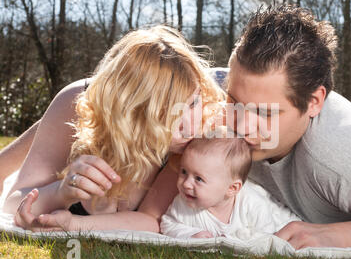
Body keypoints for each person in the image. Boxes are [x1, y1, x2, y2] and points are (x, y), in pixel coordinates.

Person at [2, 5, 351, 248]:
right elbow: (95, 95)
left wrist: (338, 234)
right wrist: (54, 186)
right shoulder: (208, 97)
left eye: (266, 114)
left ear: (314, 103)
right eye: (233, 101)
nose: (238, 123)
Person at [1, 25, 224, 232]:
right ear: (131, 113)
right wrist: (61, 192)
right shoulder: (78, 102)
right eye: (166, 112)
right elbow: (12, 204)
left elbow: (152, 221)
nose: (190, 126)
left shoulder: (203, 126)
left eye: (193, 102)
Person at [160, 135, 300, 239]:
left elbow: (268, 234)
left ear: (231, 189)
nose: (186, 184)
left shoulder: (253, 204)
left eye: (199, 179)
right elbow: (168, 224)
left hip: (280, 220)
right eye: (184, 172)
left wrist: (235, 240)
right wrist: (192, 234)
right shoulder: (184, 203)